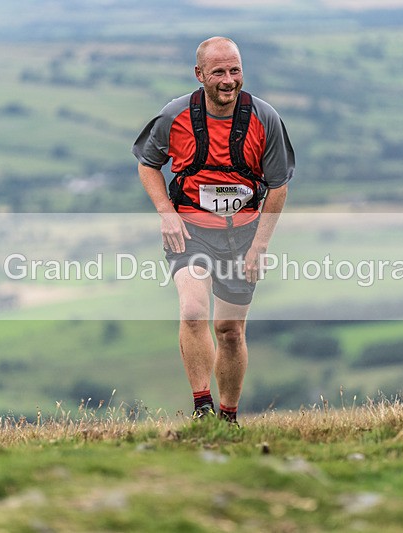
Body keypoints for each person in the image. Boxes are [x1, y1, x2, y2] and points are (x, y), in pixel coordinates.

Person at [132, 36, 295, 424]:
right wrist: (166, 212)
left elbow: (279, 186)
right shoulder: (175, 116)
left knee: (229, 331)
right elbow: (147, 164)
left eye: (235, 70)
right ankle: (202, 409)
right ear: (199, 74)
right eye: (218, 71)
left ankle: (228, 417)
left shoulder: (264, 118)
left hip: (244, 235)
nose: (228, 79)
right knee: (192, 312)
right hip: (190, 230)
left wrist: (260, 246)